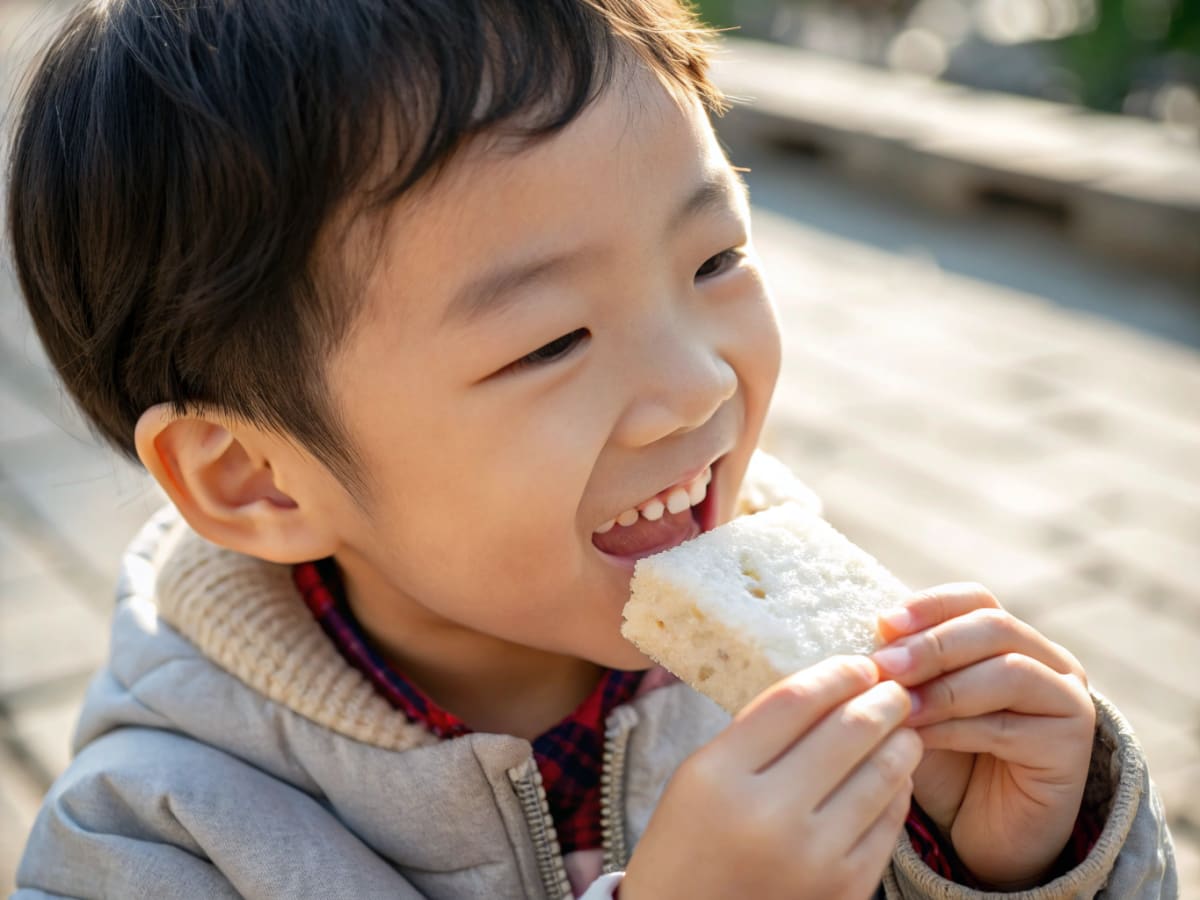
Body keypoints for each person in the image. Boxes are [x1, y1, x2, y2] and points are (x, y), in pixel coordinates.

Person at [7, 1, 1176, 897]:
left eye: (716, 260)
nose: (697, 385)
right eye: (552, 341)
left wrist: (1010, 860)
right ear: (255, 477)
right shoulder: (156, 840)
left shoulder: (807, 645)